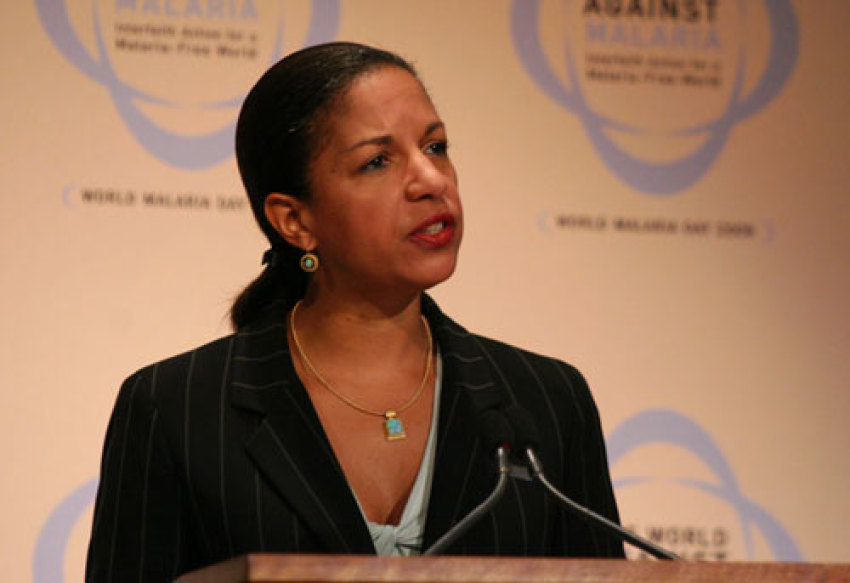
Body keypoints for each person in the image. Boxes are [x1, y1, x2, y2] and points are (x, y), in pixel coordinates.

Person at [86, 42, 625, 582]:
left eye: (435, 147)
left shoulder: (546, 403)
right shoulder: (175, 408)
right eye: (377, 161)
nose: (431, 181)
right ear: (294, 220)